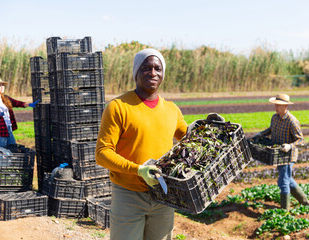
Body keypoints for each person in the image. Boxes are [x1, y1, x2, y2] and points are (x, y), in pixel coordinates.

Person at [95, 49, 223, 240]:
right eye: (146, 68)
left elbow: (192, 141)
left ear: (163, 74)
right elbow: (102, 153)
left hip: (164, 195)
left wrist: (212, 129)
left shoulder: (171, 110)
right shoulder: (118, 107)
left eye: (158, 68)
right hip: (128, 195)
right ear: (136, 72)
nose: (153, 73)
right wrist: (138, 170)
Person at [254, 93, 309, 210]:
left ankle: (284, 210)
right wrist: (261, 134)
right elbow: (271, 129)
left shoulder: (292, 121)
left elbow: (301, 140)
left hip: (288, 155)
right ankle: (305, 202)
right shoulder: (274, 117)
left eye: (278, 105)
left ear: (285, 106)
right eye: (275, 104)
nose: (276, 107)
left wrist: (289, 146)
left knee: (283, 181)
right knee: (288, 179)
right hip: (277, 154)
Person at [0, 77, 39, 148]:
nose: (2, 87)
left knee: (12, 149)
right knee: (2, 153)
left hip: (8, 129)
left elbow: (17, 103)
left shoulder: (6, 98)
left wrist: (28, 104)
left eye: (2, 85)